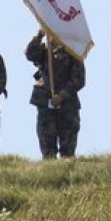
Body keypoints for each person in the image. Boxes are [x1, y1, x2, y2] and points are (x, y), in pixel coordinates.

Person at [25, 29, 86, 159]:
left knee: (68, 151)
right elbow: (29, 54)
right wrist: (39, 34)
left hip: (67, 106)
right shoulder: (43, 50)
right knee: (47, 151)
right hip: (46, 104)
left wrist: (62, 95)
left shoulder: (72, 51)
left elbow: (79, 79)